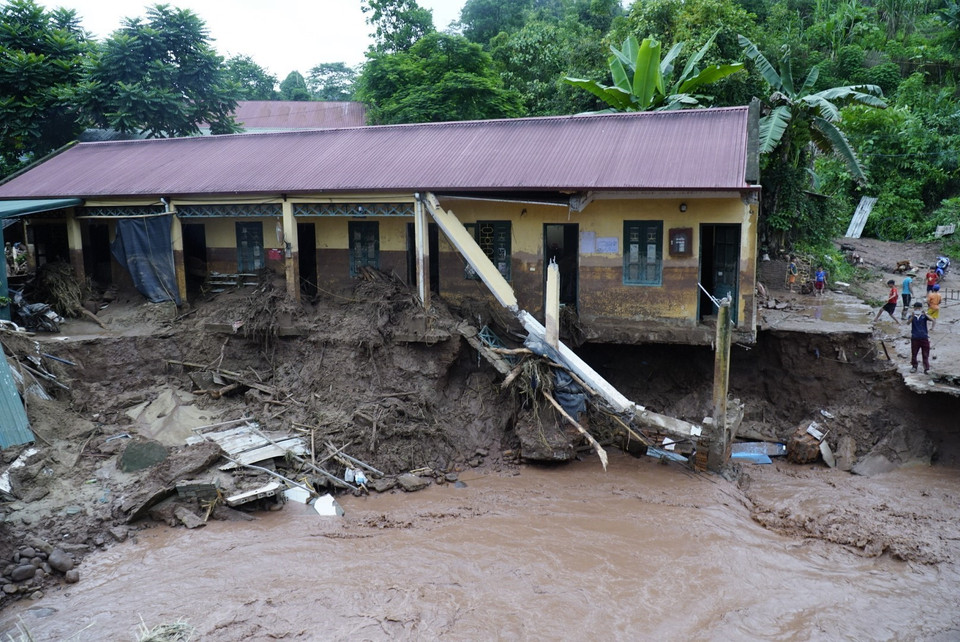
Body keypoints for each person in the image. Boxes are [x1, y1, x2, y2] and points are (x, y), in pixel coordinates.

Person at [909, 301, 932, 374]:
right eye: (916, 308)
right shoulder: (911, 316)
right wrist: (912, 317)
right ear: (914, 309)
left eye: (919, 308)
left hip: (924, 337)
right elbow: (908, 322)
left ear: (921, 308)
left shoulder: (924, 316)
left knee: (925, 354)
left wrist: (925, 314)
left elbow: (932, 319)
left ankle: (926, 368)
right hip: (915, 337)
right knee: (914, 353)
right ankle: (914, 366)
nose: (917, 310)